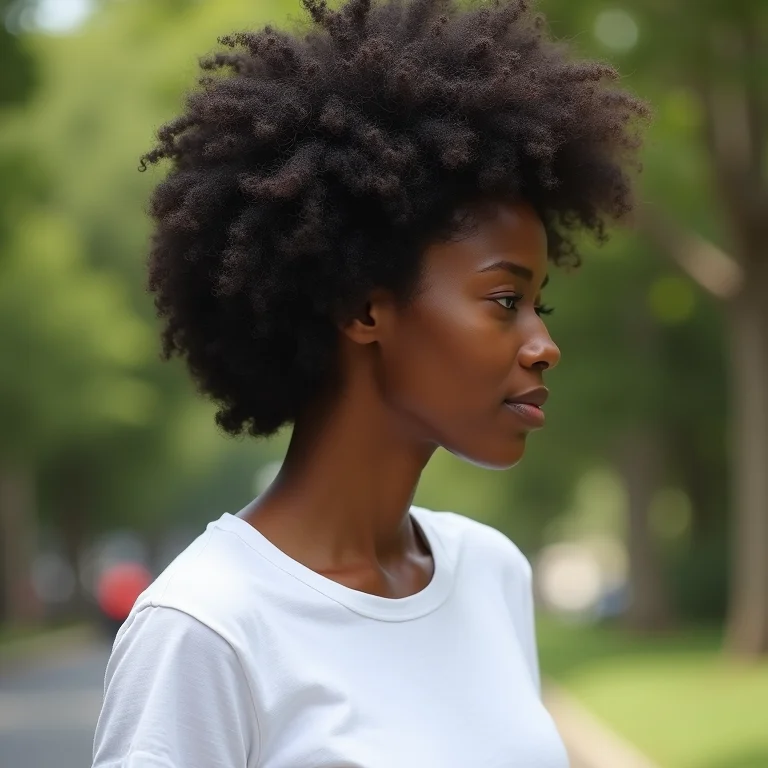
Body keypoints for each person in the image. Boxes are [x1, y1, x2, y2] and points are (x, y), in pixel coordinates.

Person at [93, 0, 648, 765]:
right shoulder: (206, 626)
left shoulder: (491, 573)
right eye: (504, 301)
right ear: (364, 308)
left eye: (539, 305)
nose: (545, 346)